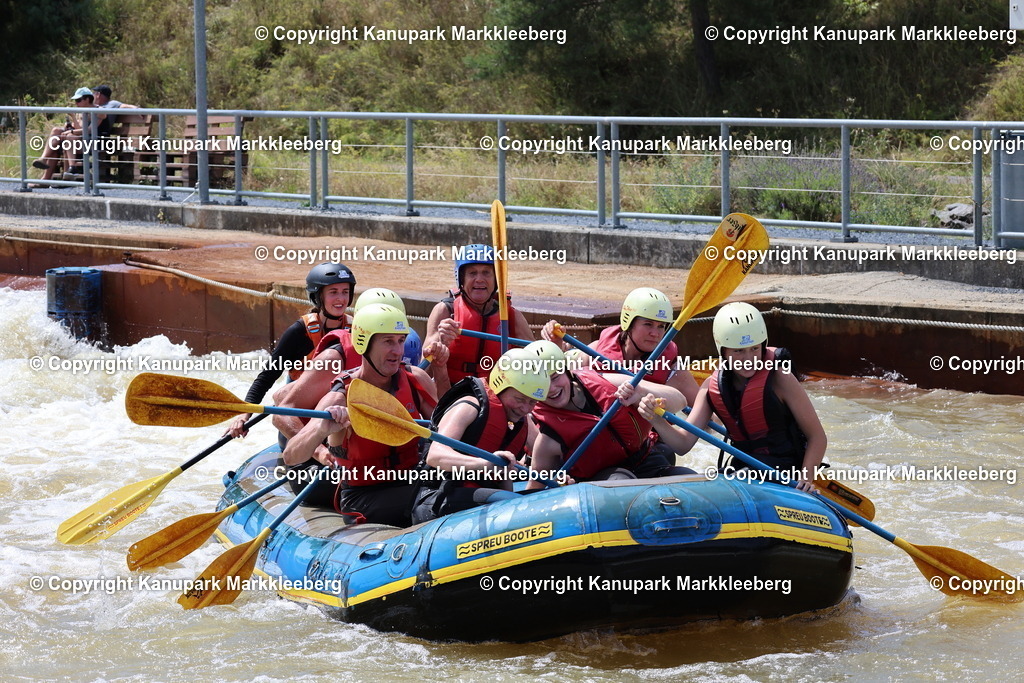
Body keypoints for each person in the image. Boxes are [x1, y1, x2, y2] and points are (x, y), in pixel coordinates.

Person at [637, 302, 827, 492]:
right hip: (744, 469)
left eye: (755, 349)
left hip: (786, 471)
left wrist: (806, 480)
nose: (749, 358)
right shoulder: (711, 388)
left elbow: (817, 437)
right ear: (723, 351)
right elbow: (683, 444)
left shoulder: (780, 378)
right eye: (739, 351)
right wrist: (657, 419)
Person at [281, 304, 440, 526]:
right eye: (388, 341)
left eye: (400, 341)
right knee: (437, 499)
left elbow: (447, 430)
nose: (397, 351)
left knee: (457, 485)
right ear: (364, 343)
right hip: (364, 499)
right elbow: (291, 456)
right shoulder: (339, 397)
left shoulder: (416, 380)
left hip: (411, 479)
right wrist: (322, 429)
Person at [527, 339, 692, 489]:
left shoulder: (605, 382)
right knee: (621, 481)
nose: (551, 389)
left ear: (567, 372)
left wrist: (640, 393)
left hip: (646, 461)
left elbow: (680, 400)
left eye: (555, 378)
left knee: (689, 479)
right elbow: (533, 494)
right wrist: (556, 487)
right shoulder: (548, 440)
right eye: (542, 384)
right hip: (603, 485)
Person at [411, 347, 548, 523]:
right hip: (436, 497)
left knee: (541, 498)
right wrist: (485, 464)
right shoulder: (469, 405)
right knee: (511, 503)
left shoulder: (520, 420)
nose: (525, 408)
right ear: (500, 386)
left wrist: (559, 479)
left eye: (532, 402)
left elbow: (509, 480)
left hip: (480, 494)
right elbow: (435, 456)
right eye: (520, 399)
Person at [225, 262, 355, 438]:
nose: (341, 298)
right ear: (318, 297)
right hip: (300, 414)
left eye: (345, 292)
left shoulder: (354, 328)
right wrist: (244, 414)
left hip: (336, 412)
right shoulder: (300, 331)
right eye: (333, 292)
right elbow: (268, 375)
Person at [542, 287, 700, 405]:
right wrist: (555, 346)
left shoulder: (673, 369)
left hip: (647, 440)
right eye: (648, 324)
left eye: (661, 326)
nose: (655, 333)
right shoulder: (598, 350)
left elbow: (706, 418)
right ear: (629, 323)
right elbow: (558, 374)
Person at [424, 244, 534, 384]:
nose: (480, 279)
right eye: (472, 273)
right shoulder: (445, 311)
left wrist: (554, 342)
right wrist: (440, 343)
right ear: (461, 278)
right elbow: (422, 373)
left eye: (486, 272)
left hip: (496, 395)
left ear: (496, 279)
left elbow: (536, 364)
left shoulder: (512, 316)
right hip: (451, 394)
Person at [31, 87, 108, 184]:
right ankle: (43, 161)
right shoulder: (81, 111)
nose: (76, 103)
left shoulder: (98, 111)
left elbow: (89, 130)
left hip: (94, 140)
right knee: (56, 132)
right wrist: (73, 118)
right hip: (80, 139)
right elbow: (78, 127)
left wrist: (70, 132)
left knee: (68, 137)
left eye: (78, 100)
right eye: (76, 100)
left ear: (87, 99)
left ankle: (72, 169)